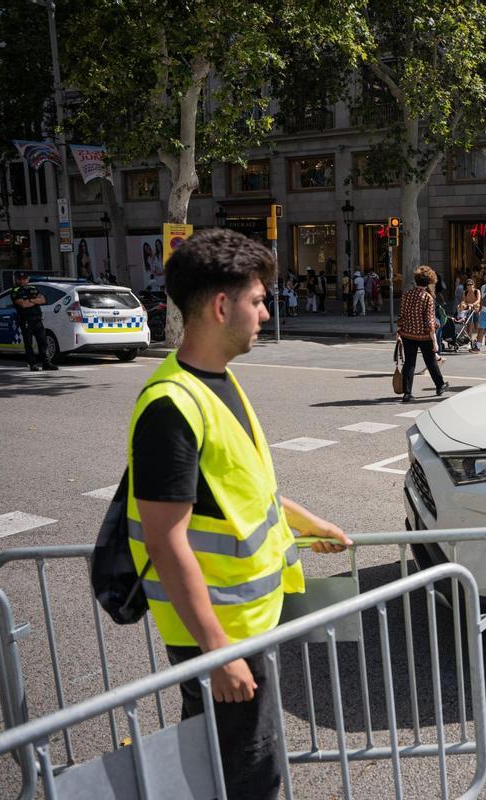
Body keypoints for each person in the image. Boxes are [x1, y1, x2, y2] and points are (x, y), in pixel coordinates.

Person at [127, 228, 350, 799]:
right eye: (257, 299)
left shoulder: (219, 383)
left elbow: (246, 490)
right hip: (220, 635)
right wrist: (217, 652)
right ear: (222, 306)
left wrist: (310, 523)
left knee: (226, 767)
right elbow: (165, 540)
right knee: (247, 775)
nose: (265, 310)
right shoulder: (171, 405)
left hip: (244, 626)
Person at [397, 266, 449, 402]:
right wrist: (434, 341)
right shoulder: (427, 297)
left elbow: (401, 315)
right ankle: (440, 385)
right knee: (431, 361)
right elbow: (430, 321)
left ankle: (407, 393)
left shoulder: (407, 295)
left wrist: (399, 331)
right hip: (424, 335)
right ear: (430, 281)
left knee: (409, 363)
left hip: (407, 334)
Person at [12, 274, 56, 371]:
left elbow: (43, 300)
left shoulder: (33, 288)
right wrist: (36, 301)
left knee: (43, 342)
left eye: (24, 279)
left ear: (27, 279)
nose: (23, 281)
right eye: (20, 279)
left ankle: (46, 363)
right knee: (29, 343)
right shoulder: (15, 290)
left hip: (37, 319)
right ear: (17, 280)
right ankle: (32, 364)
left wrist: (30, 300)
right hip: (26, 320)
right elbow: (23, 304)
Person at [460, 279, 482, 349]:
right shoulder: (465, 292)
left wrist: (472, 304)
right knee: (469, 326)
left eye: (471, 284)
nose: (469, 286)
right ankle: (470, 342)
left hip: (476, 310)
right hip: (469, 310)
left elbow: (478, 300)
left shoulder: (477, 291)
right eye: (468, 285)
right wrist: (462, 304)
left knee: (477, 327)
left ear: (473, 285)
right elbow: (463, 300)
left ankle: (477, 341)